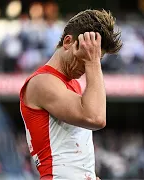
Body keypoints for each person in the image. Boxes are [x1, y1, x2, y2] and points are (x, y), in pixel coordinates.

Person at [19, 9, 122, 180]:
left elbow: (72, 148)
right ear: (68, 42)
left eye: (97, 56)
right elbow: (96, 118)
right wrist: (93, 62)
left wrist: (88, 175)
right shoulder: (42, 82)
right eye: (89, 53)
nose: (90, 62)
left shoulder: (71, 84)